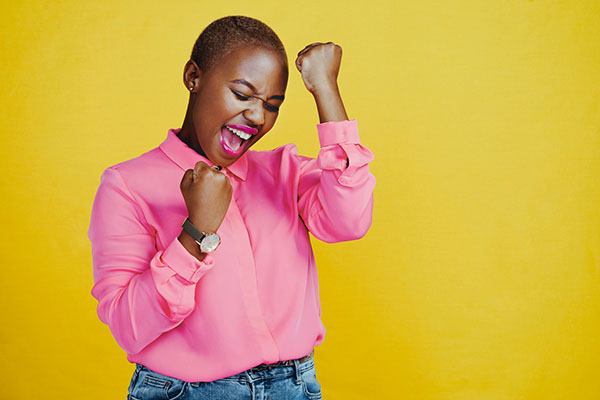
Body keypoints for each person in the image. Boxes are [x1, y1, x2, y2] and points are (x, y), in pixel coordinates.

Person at [88, 15, 375, 400]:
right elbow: (128, 325)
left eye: (272, 105)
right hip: (184, 392)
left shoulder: (284, 171)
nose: (257, 117)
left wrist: (325, 90)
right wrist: (196, 232)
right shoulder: (127, 185)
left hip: (294, 387)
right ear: (194, 76)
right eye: (242, 95)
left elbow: (348, 222)